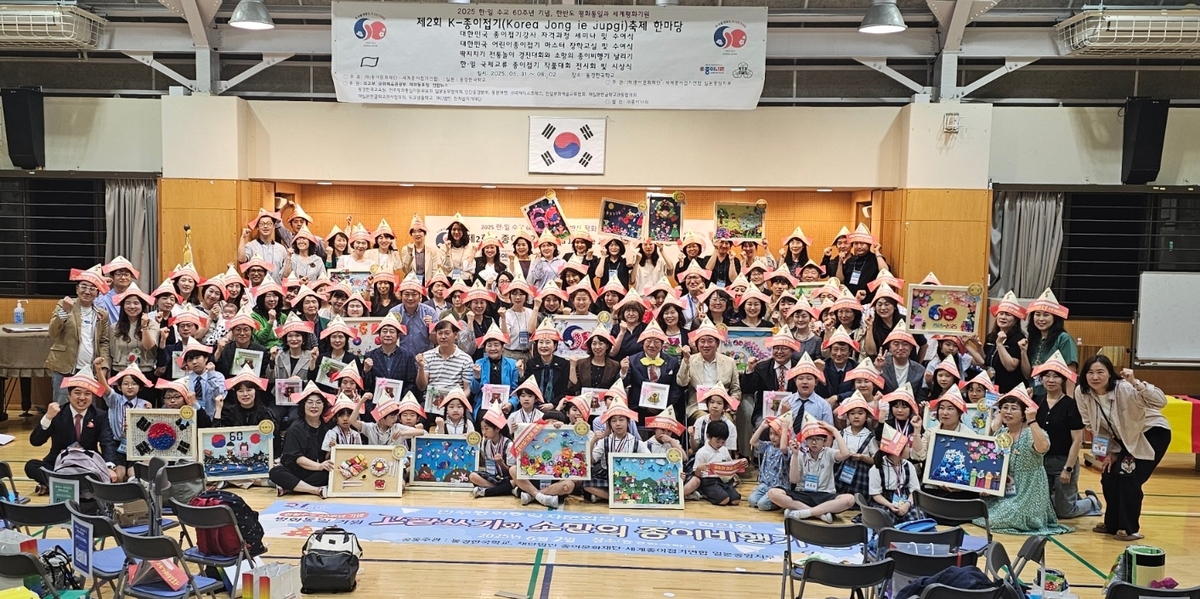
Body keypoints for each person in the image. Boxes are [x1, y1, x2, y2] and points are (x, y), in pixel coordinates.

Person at [1075, 356, 1170, 542]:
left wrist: (1136, 383)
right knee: (1109, 475)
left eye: (1100, 372)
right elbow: (1092, 424)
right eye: (1090, 372)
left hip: (1150, 434)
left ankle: (1129, 529)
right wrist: (1110, 451)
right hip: (1123, 438)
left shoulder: (1125, 388)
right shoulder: (1082, 392)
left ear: (1110, 374)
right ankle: (1112, 524)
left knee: (1129, 477)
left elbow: (1161, 402)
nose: (1095, 377)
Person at [972, 385, 1072, 535]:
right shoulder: (1001, 433)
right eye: (1005, 407)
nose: (1008, 412)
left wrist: (1033, 421)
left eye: (1014, 408)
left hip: (1029, 489)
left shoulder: (1032, 432)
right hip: (1005, 489)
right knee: (980, 513)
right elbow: (992, 462)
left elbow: (1043, 447)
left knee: (1005, 519)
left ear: (1024, 412)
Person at [1033, 351, 1101, 520]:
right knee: (1042, 509)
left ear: (1063, 380)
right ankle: (1070, 497)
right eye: (1047, 376)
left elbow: (1077, 441)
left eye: (1056, 376)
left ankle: (1091, 502)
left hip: (1063, 462)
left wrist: (1068, 469)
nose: (1051, 380)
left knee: (1064, 512)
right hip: (1040, 462)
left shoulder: (1071, 405)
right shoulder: (1036, 400)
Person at [25, 369, 117, 493]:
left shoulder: (100, 415)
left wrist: (109, 466)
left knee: (103, 473)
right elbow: (35, 441)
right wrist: (47, 418)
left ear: (92, 396)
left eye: (87, 394)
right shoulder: (57, 413)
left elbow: (107, 442)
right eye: (77, 393)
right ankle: (80, 486)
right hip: (59, 464)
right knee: (31, 466)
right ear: (69, 395)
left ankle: (56, 485)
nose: (82, 397)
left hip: (88, 464)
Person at [769, 414, 855, 521]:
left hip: (824, 494)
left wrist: (834, 431)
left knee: (849, 499)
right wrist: (795, 455)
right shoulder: (800, 453)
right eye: (811, 439)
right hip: (803, 493)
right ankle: (818, 514)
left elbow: (846, 453)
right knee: (773, 493)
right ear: (806, 440)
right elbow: (794, 480)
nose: (814, 442)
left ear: (824, 441)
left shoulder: (828, 453)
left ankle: (804, 512)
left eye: (818, 439)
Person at [46, 265, 112, 404]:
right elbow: (52, 332)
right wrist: (64, 312)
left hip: (89, 369)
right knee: (62, 406)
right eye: (84, 287)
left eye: (92, 288)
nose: (87, 291)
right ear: (77, 289)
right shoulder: (63, 305)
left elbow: (104, 342)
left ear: (97, 293)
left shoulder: (102, 314)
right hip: (65, 367)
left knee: (87, 406)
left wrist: (104, 366)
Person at [268, 383, 333, 498]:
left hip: (317, 472)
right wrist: (319, 466)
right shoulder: (295, 428)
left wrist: (332, 449)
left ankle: (292, 487)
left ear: (324, 406)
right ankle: (315, 490)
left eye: (318, 402)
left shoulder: (328, 428)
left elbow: (327, 457)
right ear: (303, 405)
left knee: (331, 472)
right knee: (275, 472)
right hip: (297, 470)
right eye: (310, 402)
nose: (314, 406)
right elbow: (296, 458)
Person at [97, 361, 151, 482]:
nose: (130, 387)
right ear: (119, 387)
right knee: (119, 475)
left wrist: (149, 413)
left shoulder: (145, 405)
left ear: (140, 387)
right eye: (126, 384)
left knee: (134, 473)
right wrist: (99, 370)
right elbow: (104, 388)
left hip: (137, 445)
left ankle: (134, 490)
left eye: (134, 384)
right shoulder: (114, 400)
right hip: (117, 444)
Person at [513, 410, 580, 508]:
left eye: (554, 421)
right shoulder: (535, 437)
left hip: (555, 483)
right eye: (547, 421)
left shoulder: (567, 437)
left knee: (569, 484)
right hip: (535, 478)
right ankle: (539, 496)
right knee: (513, 469)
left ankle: (532, 495)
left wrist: (564, 429)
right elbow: (521, 452)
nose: (550, 424)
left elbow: (577, 448)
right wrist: (517, 430)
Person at [676, 319, 740, 420]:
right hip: (698, 407)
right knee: (705, 420)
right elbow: (681, 383)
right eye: (702, 341)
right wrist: (686, 360)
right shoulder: (690, 360)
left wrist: (731, 405)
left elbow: (736, 390)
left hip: (722, 407)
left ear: (717, 344)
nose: (706, 345)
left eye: (710, 341)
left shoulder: (729, 362)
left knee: (726, 421)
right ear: (697, 344)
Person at [622, 321, 684, 425]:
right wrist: (623, 371)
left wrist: (663, 405)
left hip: (664, 410)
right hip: (638, 409)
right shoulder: (632, 360)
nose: (652, 345)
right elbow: (623, 384)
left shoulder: (672, 361)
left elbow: (676, 388)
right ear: (643, 343)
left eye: (656, 342)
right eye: (648, 341)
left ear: (662, 344)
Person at [740, 327, 800, 429]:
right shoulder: (762, 367)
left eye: (784, 348)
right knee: (764, 428)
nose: (779, 351)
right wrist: (750, 370)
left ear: (792, 351)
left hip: (794, 411)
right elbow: (747, 389)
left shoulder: (798, 367)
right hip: (765, 413)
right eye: (776, 348)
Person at [416, 315, 474, 417]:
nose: (443, 337)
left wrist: (455, 401)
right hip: (431, 403)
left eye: (447, 333)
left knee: (469, 422)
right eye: (440, 333)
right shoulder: (427, 356)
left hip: (456, 404)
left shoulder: (466, 359)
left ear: (455, 335)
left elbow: (467, 389)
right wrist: (421, 367)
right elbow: (421, 387)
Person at [1024, 289, 1079, 395]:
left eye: (1046, 315)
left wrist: (1069, 398)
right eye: (1037, 314)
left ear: (1055, 318)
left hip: (1056, 395)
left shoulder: (1063, 338)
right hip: (1034, 393)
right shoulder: (1033, 339)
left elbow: (1070, 370)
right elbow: (1028, 373)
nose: (1041, 319)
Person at [108, 282, 159, 396]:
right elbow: (110, 353)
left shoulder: (152, 324)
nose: (132, 306)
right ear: (123, 306)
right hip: (120, 373)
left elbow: (148, 346)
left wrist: (144, 326)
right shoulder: (114, 328)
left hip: (144, 372)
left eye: (136, 303)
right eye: (128, 303)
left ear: (142, 306)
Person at [869, 423, 925, 525]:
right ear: (898, 450)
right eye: (907, 446)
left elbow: (915, 490)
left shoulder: (908, 466)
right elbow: (875, 494)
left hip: (905, 500)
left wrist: (907, 504)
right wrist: (890, 505)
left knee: (917, 518)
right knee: (886, 519)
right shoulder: (877, 468)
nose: (909, 448)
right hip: (884, 502)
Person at [362, 312, 419, 408]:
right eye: (384, 331)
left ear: (398, 336)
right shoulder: (370, 356)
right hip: (376, 404)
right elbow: (366, 386)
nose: (388, 335)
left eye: (392, 332)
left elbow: (411, 383)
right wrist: (366, 371)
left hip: (400, 403)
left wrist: (399, 398)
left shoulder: (407, 356)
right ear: (379, 335)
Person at [833, 392, 878, 500]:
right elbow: (832, 455)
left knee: (858, 500)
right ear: (847, 416)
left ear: (866, 416)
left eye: (860, 413)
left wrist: (862, 458)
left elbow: (876, 460)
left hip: (861, 475)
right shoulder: (841, 434)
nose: (856, 416)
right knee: (838, 498)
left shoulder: (869, 436)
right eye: (852, 413)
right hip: (840, 471)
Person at [471, 323, 521, 419]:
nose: (493, 348)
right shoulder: (479, 363)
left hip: (505, 405)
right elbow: (474, 390)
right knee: (485, 418)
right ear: (485, 348)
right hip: (484, 406)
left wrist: (511, 403)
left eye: (496, 345)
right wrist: (477, 376)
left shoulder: (512, 365)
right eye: (489, 345)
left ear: (502, 347)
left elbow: (515, 390)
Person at [692, 420, 745, 506]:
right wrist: (699, 468)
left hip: (724, 480)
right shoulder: (702, 452)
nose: (720, 444)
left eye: (723, 442)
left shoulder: (724, 450)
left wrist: (740, 463)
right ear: (708, 436)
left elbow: (730, 464)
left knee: (736, 500)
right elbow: (696, 475)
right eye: (717, 441)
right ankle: (705, 493)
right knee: (724, 500)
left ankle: (721, 492)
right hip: (709, 481)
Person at [985, 291, 1028, 394]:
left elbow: (1011, 366)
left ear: (1016, 320)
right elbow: (983, 361)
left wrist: (1000, 344)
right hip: (992, 389)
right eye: (1001, 313)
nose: (1003, 317)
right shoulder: (991, 336)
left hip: (1011, 391)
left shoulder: (1019, 338)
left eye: (1008, 315)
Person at [469, 403, 515, 498]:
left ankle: (487, 491)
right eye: (482, 429)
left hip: (506, 478)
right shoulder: (485, 442)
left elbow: (511, 472)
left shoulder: (509, 445)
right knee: (472, 476)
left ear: (497, 428)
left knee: (515, 481)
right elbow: (484, 463)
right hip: (492, 477)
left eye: (487, 429)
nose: (484, 432)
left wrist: (501, 463)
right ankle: (499, 489)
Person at [522, 319, 570, 408]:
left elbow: (565, 390)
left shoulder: (563, 364)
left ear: (555, 346)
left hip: (557, 406)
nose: (544, 346)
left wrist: (553, 404)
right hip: (535, 406)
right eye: (541, 342)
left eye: (547, 342)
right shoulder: (531, 363)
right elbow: (527, 389)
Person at [390, 273, 439, 355]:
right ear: (401, 296)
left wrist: (432, 328)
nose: (410, 298)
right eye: (406, 294)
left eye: (414, 294)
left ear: (420, 296)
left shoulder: (430, 312)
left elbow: (436, 341)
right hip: (400, 357)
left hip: (425, 356)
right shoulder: (394, 312)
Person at [748, 416, 789, 511]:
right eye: (770, 433)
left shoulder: (786, 449)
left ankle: (780, 502)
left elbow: (783, 448)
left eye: (776, 434)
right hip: (765, 484)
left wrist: (784, 430)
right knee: (752, 501)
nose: (772, 437)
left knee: (762, 505)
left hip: (779, 487)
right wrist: (762, 427)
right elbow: (753, 442)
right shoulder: (768, 446)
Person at [836, 224, 887, 299]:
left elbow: (885, 271)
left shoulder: (876, 259)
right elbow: (840, 280)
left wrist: (877, 252)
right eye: (856, 243)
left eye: (862, 243)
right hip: (850, 299)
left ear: (869, 244)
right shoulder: (850, 260)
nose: (859, 247)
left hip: (868, 300)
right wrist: (840, 262)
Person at [569, 325, 620, 396]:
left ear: (607, 346)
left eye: (601, 343)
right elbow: (574, 388)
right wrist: (572, 367)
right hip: (583, 400)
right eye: (594, 344)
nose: (597, 347)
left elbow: (616, 388)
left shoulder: (615, 365)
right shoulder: (581, 363)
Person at [786, 353, 835, 427]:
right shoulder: (786, 402)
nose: (805, 382)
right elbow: (777, 429)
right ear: (795, 381)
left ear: (816, 382)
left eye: (809, 378)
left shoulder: (824, 405)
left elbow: (829, 430)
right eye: (800, 378)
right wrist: (784, 414)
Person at [690, 384, 739, 457]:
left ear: (724, 406)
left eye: (719, 403)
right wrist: (691, 436)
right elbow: (695, 448)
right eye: (712, 402)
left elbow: (728, 453)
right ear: (707, 404)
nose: (715, 406)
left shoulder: (730, 426)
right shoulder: (700, 421)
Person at [877, 322, 925, 394]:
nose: (900, 348)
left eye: (905, 344)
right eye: (896, 344)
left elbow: (921, 396)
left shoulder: (920, 370)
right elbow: (873, 391)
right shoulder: (881, 366)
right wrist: (877, 370)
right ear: (890, 348)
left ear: (911, 347)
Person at [239, 209, 287, 275]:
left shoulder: (281, 249)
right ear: (257, 227)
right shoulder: (251, 246)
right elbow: (241, 260)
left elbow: (285, 274)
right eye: (262, 224)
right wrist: (243, 237)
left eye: (269, 223)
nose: (265, 226)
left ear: (273, 227)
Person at [398, 214, 443, 284]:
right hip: (411, 284)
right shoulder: (405, 249)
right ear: (411, 234)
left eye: (420, 231)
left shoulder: (432, 251)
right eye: (414, 231)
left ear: (424, 233)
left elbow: (434, 272)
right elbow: (405, 270)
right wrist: (409, 254)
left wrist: (430, 286)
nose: (417, 234)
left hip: (426, 284)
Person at [96, 255, 140, 324]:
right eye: (119, 274)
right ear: (112, 277)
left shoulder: (136, 296)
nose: (123, 277)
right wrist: (103, 288)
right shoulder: (105, 297)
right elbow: (98, 312)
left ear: (131, 277)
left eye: (126, 274)